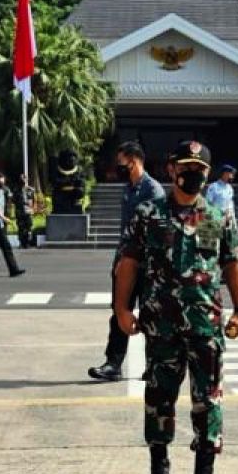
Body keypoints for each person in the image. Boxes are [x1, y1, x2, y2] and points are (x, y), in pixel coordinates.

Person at [114, 139, 238, 474]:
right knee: (159, 395)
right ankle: (159, 465)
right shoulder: (148, 213)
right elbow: (128, 263)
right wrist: (122, 309)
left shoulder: (216, 217)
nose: (192, 174)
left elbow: (232, 264)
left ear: (207, 174)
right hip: (161, 325)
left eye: (199, 169)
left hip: (205, 326)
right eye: (185, 168)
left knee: (208, 398)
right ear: (172, 169)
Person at [88, 141, 165, 382]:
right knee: (119, 311)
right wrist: (120, 259)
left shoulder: (153, 190)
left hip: (147, 262)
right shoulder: (128, 188)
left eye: (121, 162)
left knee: (151, 315)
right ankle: (113, 364)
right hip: (125, 259)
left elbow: (158, 231)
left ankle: (154, 365)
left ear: (134, 160)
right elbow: (126, 230)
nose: (118, 167)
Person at [15, 174, 37, 249]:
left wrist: (33, 209)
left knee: (29, 228)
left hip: (28, 211)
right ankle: (21, 243)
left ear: (27, 180)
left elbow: (34, 200)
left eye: (24, 179)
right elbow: (13, 201)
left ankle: (27, 243)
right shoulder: (16, 190)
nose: (23, 181)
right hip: (20, 212)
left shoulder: (31, 190)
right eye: (21, 179)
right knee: (21, 228)